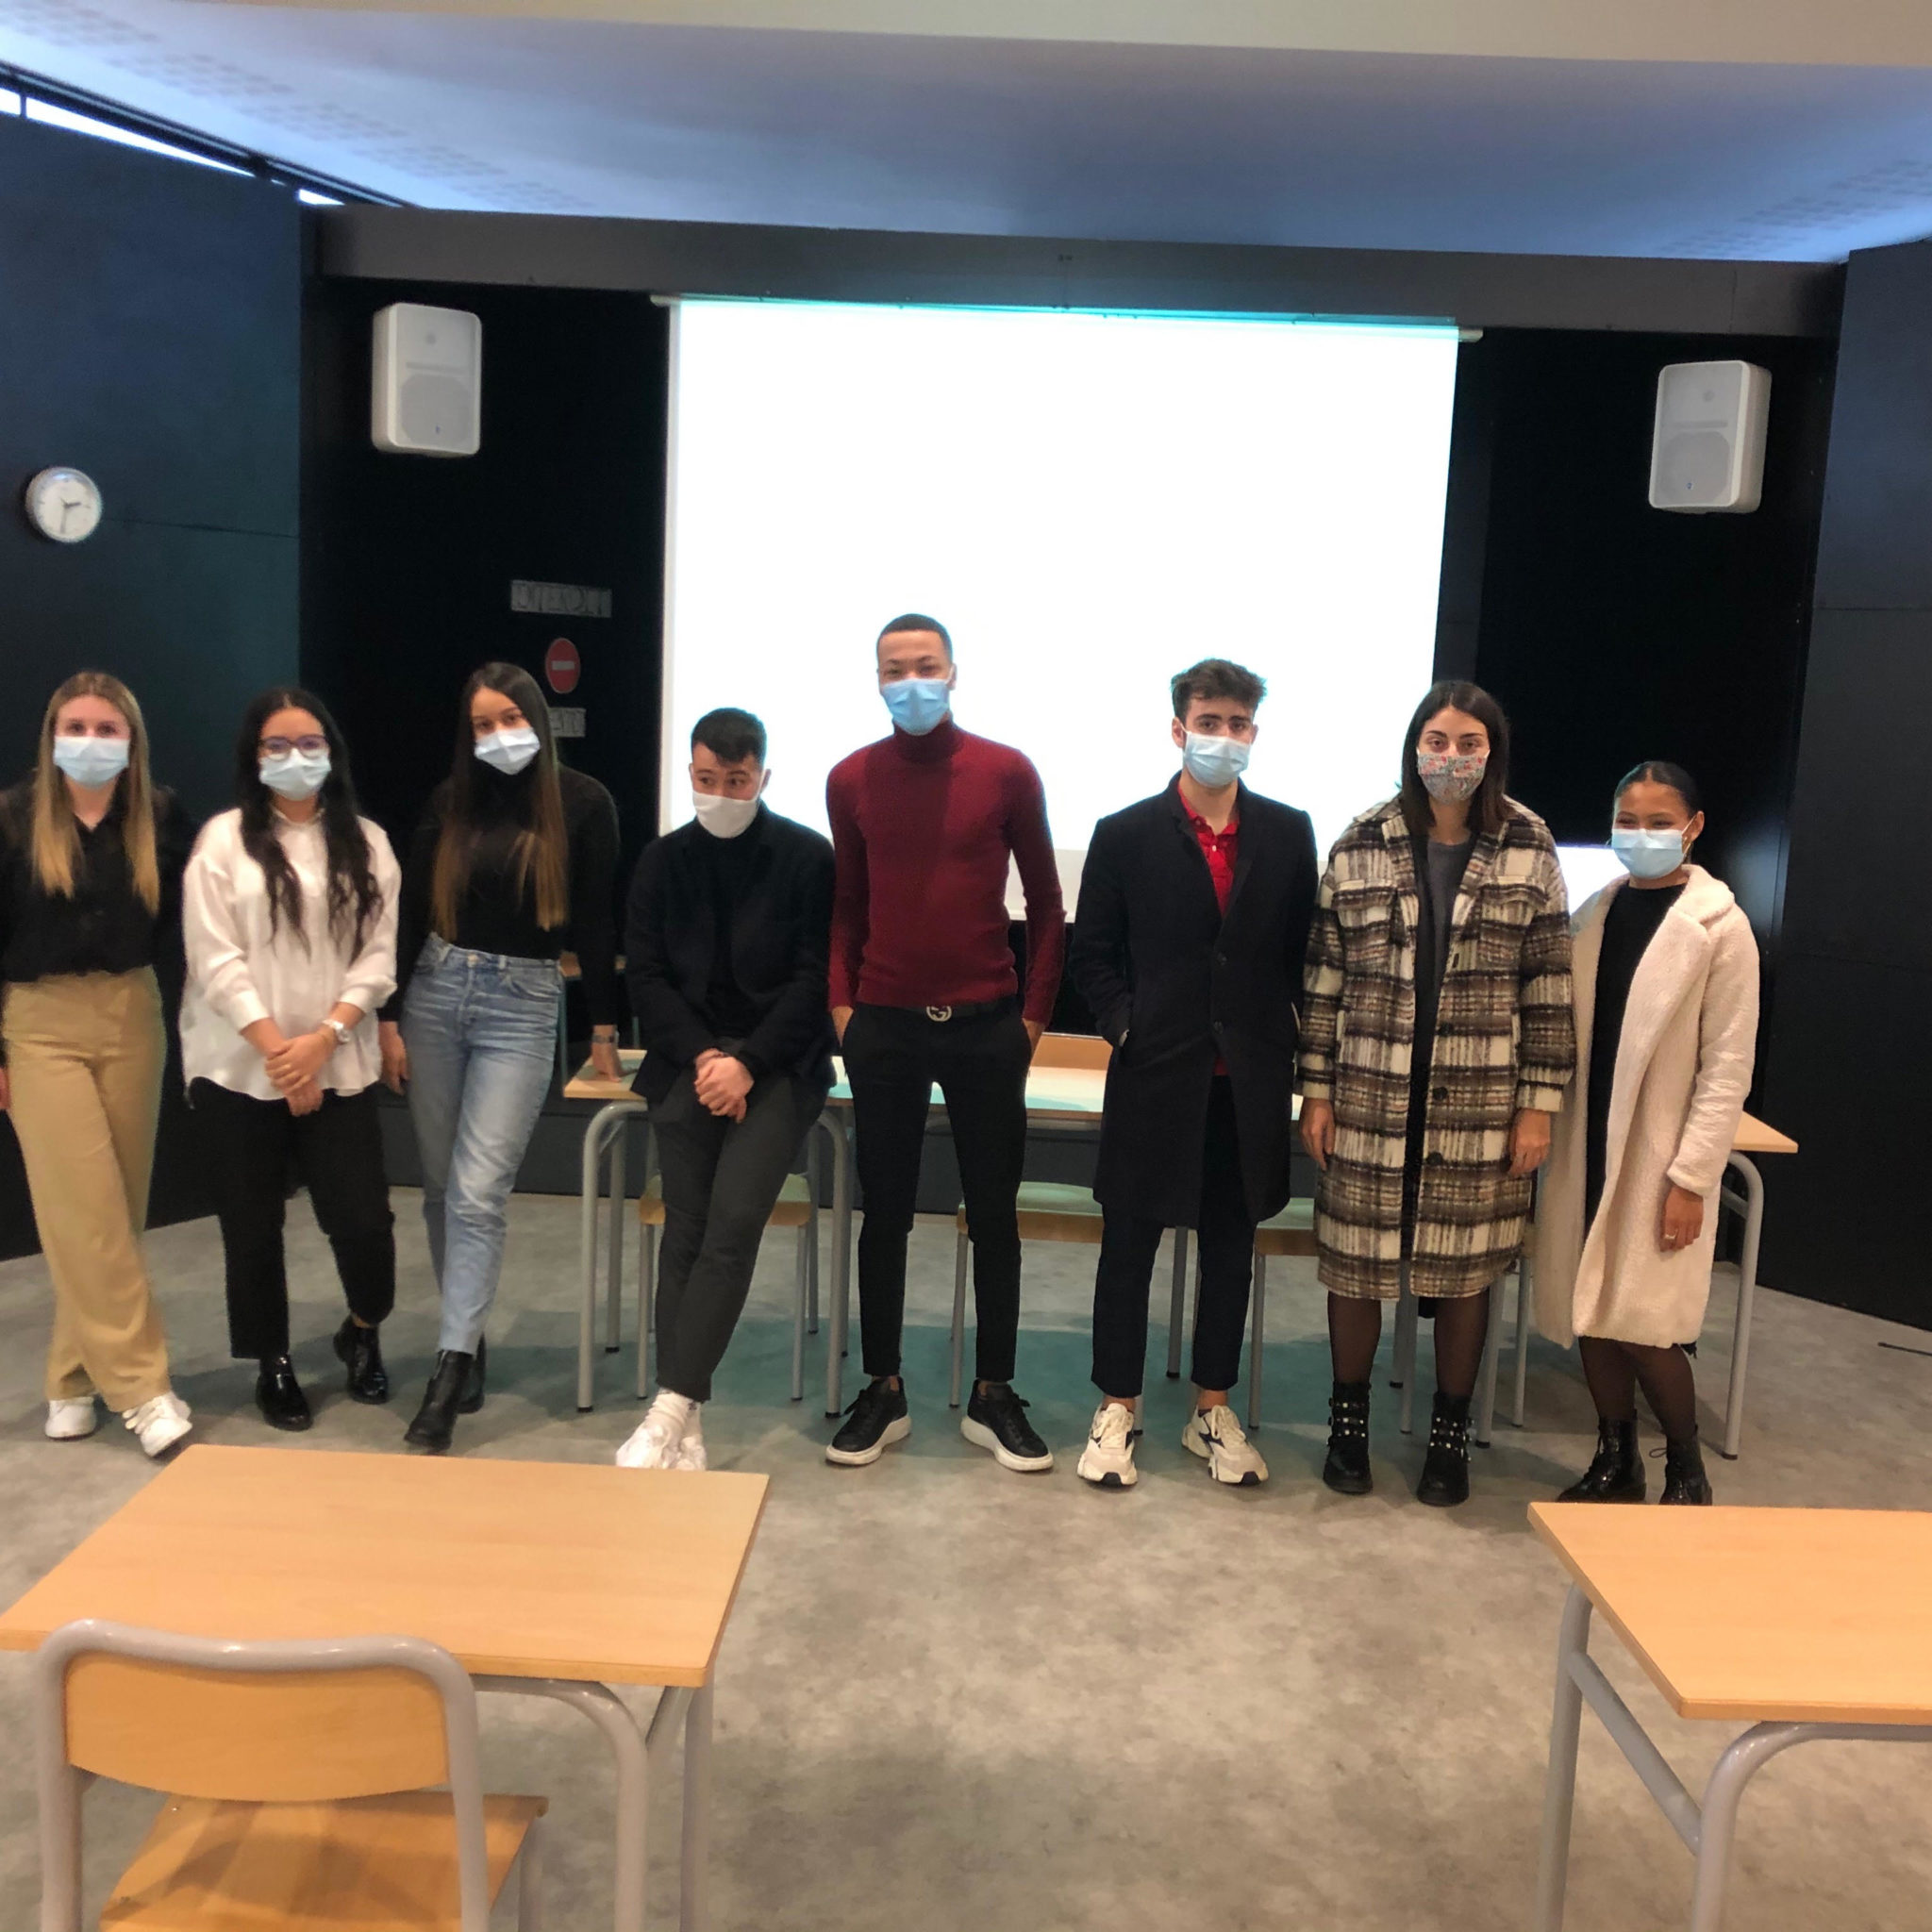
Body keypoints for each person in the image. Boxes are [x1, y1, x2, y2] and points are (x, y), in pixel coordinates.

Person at [1299, 680, 1574, 1507]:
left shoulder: (1528, 842)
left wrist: (1538, 1103)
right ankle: (1349, 1429)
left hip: (1481, 1097)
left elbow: (1548, 983)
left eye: (1468, 743)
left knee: (1465, 1272)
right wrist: (1316, 1091)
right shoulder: (1361, 840)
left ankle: (1449, 1439)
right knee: (1355, 1267)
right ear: (1414, 746)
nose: (1450, 757)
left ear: (1492, 752)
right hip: (1370, 1090)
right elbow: (1323, 981)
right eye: (1437, 741)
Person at [824, 613, 1066, 1472]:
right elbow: (846, 906)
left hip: (986, 1026)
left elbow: (1047, 903)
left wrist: (1032, 1018)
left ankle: (993, 1394)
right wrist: (843, 1009)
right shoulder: (850, 779)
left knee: (994, 1216)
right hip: (884, 1026)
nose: (911, 682)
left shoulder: (1006, 771)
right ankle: (883, 1389)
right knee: (884, 1213)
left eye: (925, 666)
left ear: (954, 673)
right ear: (877, 679)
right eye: (895, 669)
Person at [1069, 658, 1318, 1489]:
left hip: (1246, 1081)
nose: (1224, 737)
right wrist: (1125, 1026)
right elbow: (1092, 955)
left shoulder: (1287, 833)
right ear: (1179, 729)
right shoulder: (1124, 833)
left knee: (1231, 1248)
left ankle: (1212, 1408)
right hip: (1154, 1074)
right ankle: (1118, 1406)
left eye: (1238, 724)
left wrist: (1287, 1040)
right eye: (1209, 723)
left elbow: (1301, 954)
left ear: (1254, 732)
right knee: (1128, 1247)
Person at [382, 662, 622, 1453]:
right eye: (482, 725)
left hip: (524, 1002)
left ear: (537, 720)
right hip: (436, 991)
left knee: (479, 1191)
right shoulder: (449, 802)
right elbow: (412, 912)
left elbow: (595, 919)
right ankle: (468, 1335)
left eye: (510, 719)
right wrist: (388, 1016)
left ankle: (448, 1371)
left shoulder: (583, 802)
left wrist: (604, 1025)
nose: (498, 735)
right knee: (441, 1185)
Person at [614, 708, 836, 1472]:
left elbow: (814, 979)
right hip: (689, 1063)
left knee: (734, 1223)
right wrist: (708, 1058)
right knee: (686, 1229)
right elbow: (647, 977)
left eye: (736, 781)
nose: (721, 794)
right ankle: (690, 1426)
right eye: (707, 780)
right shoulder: (661, 862)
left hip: (779, 1067)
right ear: (690, 773)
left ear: (764, 777)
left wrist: (747, 1065)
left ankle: (667, 1408)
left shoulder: (807, 858)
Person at [1534, 763, 1757, 1507]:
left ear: (1693, 827)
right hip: (1587, 1139)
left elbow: (1727, 1069)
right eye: (1627, 820)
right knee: (1592, 1308)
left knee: (1647, 1322)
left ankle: (1686, 1468)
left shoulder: (1720, 929)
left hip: (1658, 1156)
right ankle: (1615, 1457)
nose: (1641, 834)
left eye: (1659, 822)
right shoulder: (1595, 913)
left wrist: (1692, 1178)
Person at [179, 689, 402, 1431]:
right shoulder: (221, 842)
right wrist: (281, 1055)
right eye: (276, 745)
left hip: (337, 1060)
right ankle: (272, 1361)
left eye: (309, 743)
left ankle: (362, 1328)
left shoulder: (368, 842)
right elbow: (215, 961)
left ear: (332, 753)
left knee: (364, 1222)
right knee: (251, 1228)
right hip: (240, 1068)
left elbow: (378, 957)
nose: (294, 758)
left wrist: (322, 1043)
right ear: (254, 757)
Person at [0, 672, 195, 1457]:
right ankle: (143, 1389)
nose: (90, 741)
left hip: (131, 1014)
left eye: (107, 729)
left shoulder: (160, 817)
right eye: (75, 727)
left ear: (132, 741)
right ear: (50, 736)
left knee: (114, 1211)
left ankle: (70, 1377)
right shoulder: (12, 819)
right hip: (38, 1023)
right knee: (82, 1210)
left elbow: (184, 925)